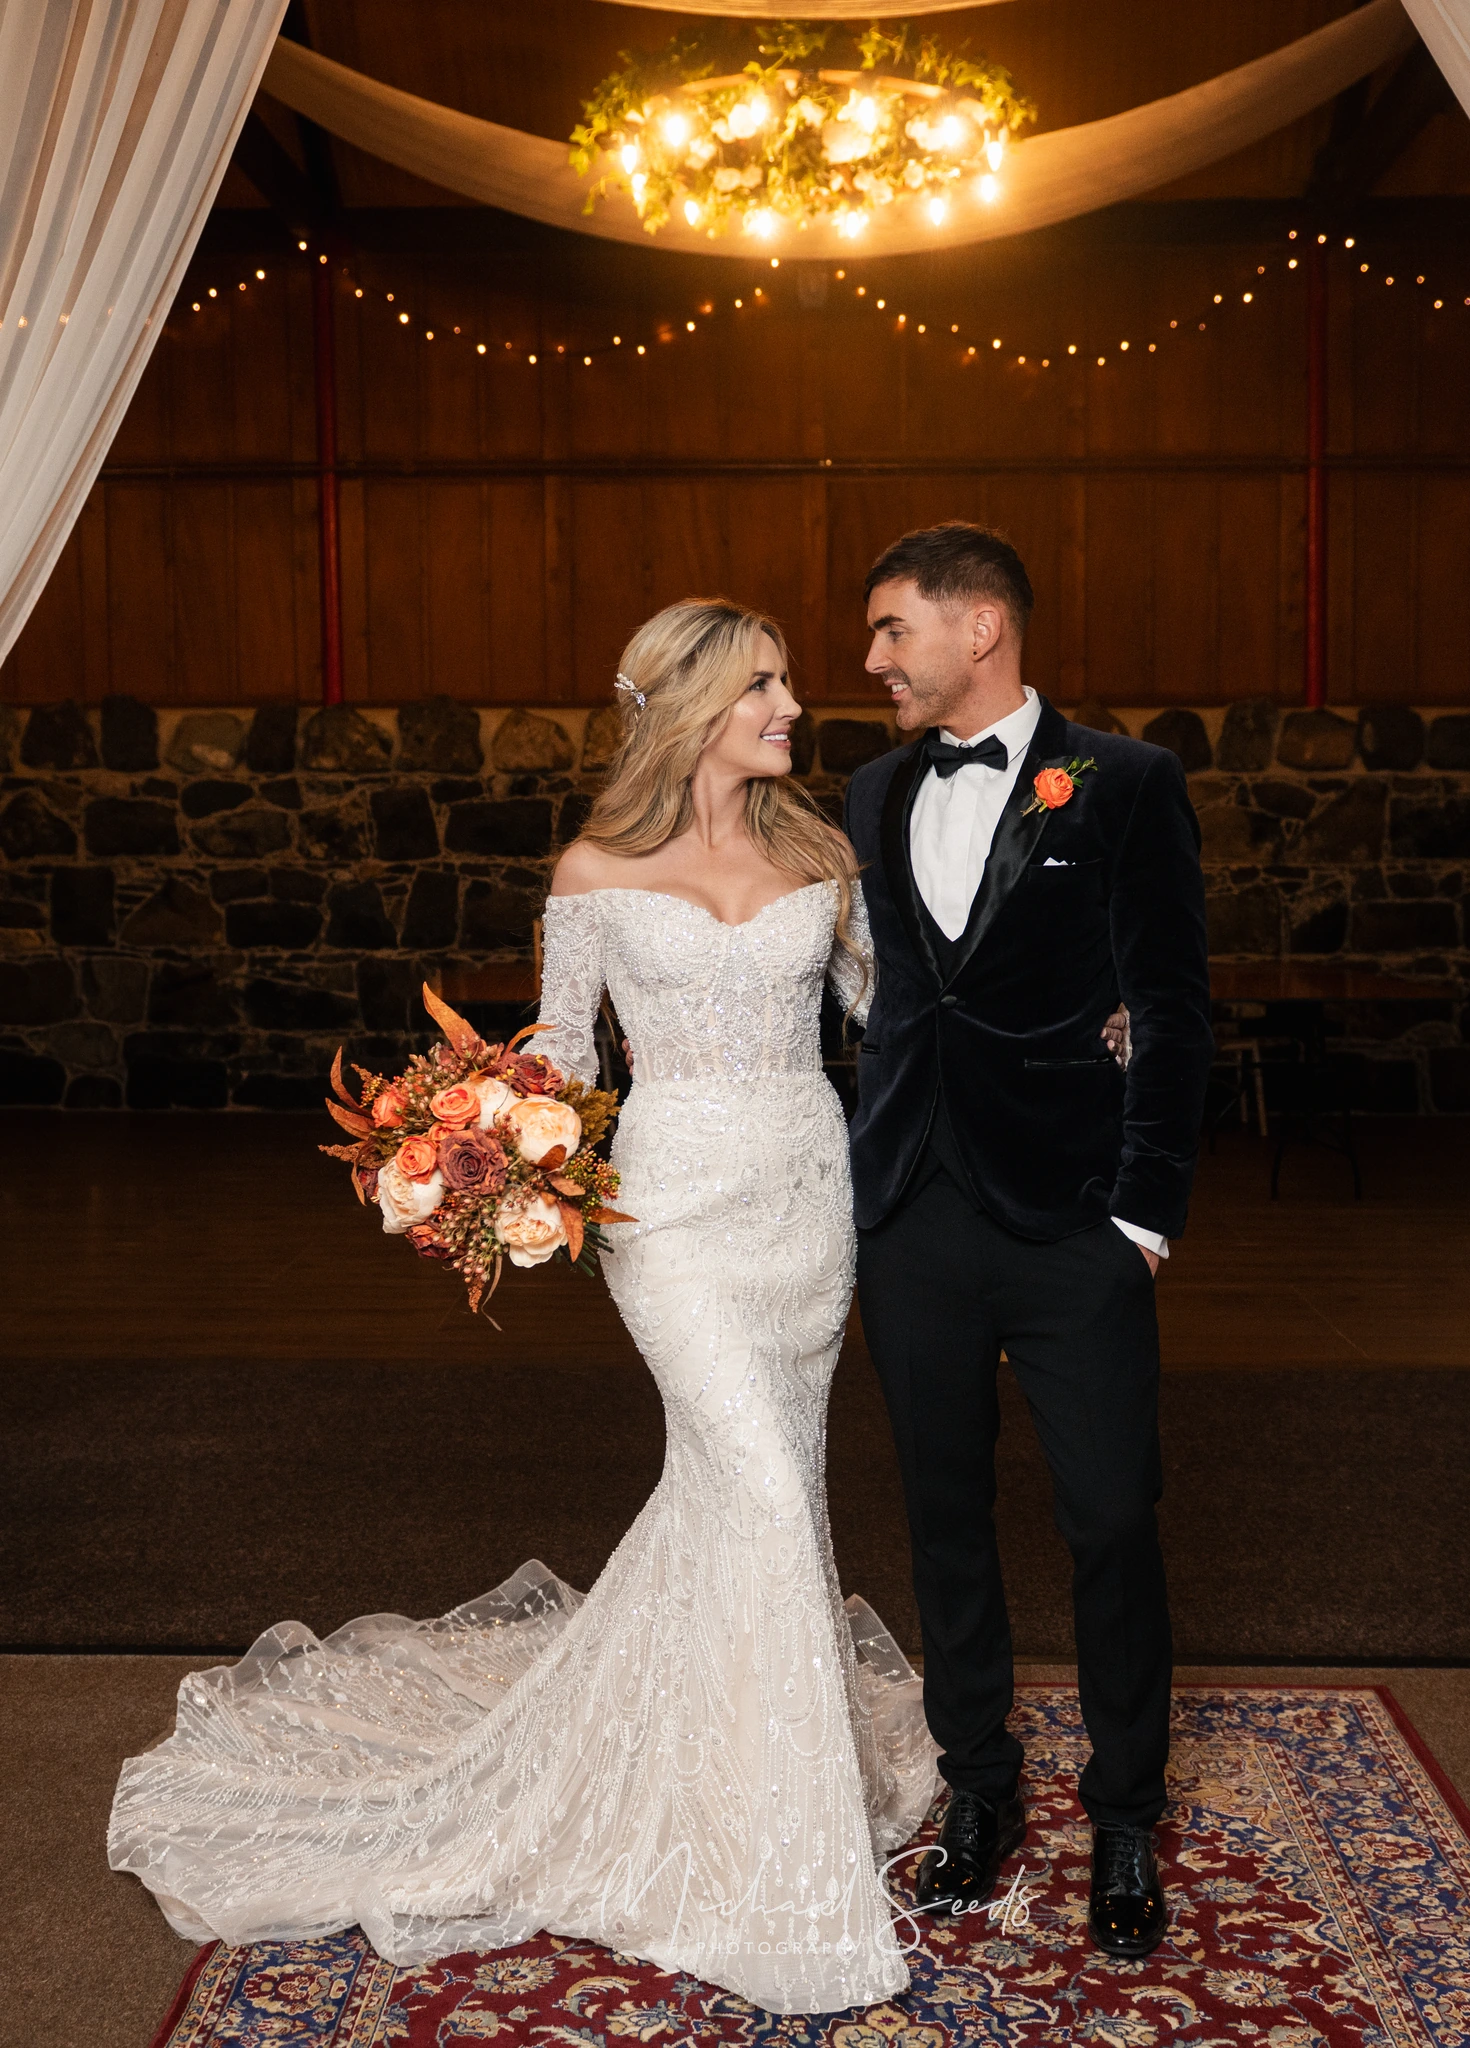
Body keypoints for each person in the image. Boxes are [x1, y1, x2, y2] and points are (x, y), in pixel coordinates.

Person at [108, 600, 941, 2017]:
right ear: (687, 706)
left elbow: (899, 1019)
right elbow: (558, 1053)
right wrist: (474, 1147)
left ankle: (732, 1761)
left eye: (789, 680)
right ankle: (779, 1862)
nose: (795, 703)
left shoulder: (819, 852)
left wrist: (1056, 1039)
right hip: (670, 1220)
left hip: (807, 1209)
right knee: (745, 1475)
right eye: (765, 684)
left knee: (775, 1489)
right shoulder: (593, 868)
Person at [843, 522, 1214, 1959]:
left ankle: (1126, 1815)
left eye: (890, 630)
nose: (871, 660)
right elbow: (881, 992)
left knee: (1111, 1516)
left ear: (977, 627)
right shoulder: (872, 788)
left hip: (1075, 1223)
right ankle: (978, 1792)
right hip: (915, 1217)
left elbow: (1170, 1005)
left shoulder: (1124, 783)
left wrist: (1142, 1215)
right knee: (942, 1518)